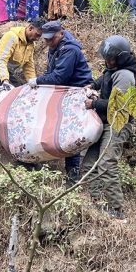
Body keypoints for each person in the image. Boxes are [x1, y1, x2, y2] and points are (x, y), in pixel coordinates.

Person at [82, 35, 136, 221]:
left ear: (121, 57)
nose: (107, 62)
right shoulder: (114, 68)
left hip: (117, 123)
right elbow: (105, 78)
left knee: (107, 164)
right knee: (90, 164)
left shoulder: (125, 75)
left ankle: (116, 210)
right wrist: (93, 85)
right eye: (106, 59)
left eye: (111, 59)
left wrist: (94, 103)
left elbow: (118, 106)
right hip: (104, 121)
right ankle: (96, 203)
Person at [32, 20, 93, 183]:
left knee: (70, 130)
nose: (48, 42)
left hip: (76, 90)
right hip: (63, 89)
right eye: (45, 39)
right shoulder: (55, 46)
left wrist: (38, 80)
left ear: (61, 33)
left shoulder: (69, 50)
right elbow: (52, 72)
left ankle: (73, 173)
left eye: (51, 38)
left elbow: (60, 76)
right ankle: (38, 159)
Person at [0, 19, 42, 90]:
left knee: (17, 90)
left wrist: (33, 82)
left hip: (7, 71)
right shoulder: (12, 36)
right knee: (4, 92)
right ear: (30, 28)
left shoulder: (31, 44)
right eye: (37, 35)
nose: (37, 39)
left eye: (39, 36)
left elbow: (28, 65)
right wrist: (5, 80)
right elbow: (1, 59)